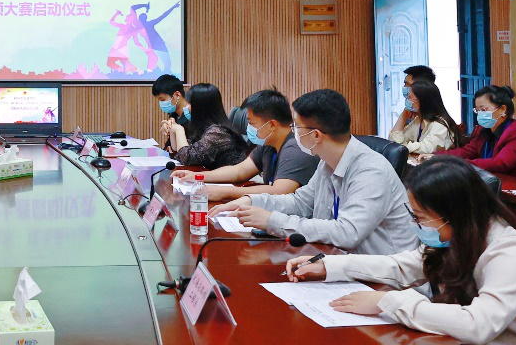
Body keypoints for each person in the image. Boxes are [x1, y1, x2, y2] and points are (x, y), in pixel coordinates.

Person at [284, 157, 516, 345]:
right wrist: (331, 266)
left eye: (421, 217)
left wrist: (388, 301)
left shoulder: (512, 252)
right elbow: (402, 266)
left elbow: (479, 324)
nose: (417, 225)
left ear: (455, 212)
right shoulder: (460, 236)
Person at [210, 89, 418, 255]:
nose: (293, 133)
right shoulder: (327, 162)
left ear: (316, 135)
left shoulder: (371, 171)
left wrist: (271, 221)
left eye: (297, 128)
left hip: (385, 280)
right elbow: (300, 203)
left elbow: (347, 233)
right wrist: (251, 201)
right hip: (341, 263)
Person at [172, 89, 319, 201]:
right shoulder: (269, 143)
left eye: (252, 123)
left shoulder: (295, 148)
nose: (249, 128)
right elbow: (238, 171)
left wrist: (225, 192)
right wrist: (197, 176)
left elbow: (280, 191)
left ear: (272, 125)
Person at [436, 85, 516, 181]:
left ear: (502, 110)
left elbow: (500, 164)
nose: (480, 114)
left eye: (484, 109)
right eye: (477, 110)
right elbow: (467, 152)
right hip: (490, 180)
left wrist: (458, 163)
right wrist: (436, 157)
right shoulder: (484, 130)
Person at [161, 83, 245, 170]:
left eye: (189, 103)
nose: (186, 107)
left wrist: (179, 130)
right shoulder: (202, 128)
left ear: (200, 107)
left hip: (225, 178)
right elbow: (178, 152)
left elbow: (187, 158)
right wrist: (173, 130)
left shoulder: (218, 132)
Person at [389, 81, 462, 154]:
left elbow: (426, 148)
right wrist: (403, 117)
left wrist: (402, 147)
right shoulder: (419, 120)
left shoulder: (441, 124)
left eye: (410, 97)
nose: (407, 100)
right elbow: (393, 141)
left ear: (422, 101)